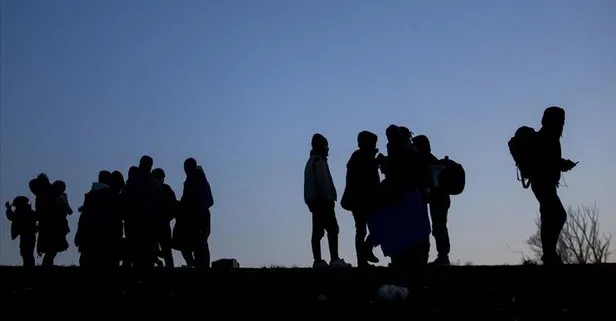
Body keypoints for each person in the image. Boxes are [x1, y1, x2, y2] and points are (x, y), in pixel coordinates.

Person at [529, 106, 577, 265]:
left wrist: (561, 164)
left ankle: (549, 254)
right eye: (560, 121)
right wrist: (563, 164)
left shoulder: (548, 136)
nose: (562, 125)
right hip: (542, 182)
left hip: (544, 183)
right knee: (556, 214)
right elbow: (547, 161)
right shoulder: (548, 137)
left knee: (550, 215)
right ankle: (549, 254)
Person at [304, 133, 351, 268]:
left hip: (315, 201)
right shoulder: (318, 161)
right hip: (323, 201)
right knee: (332, 229)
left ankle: (318, 260)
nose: (328, 148)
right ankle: (334, 259)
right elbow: (323, 183)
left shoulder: (311, 161)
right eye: (326, 145)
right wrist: (329, 197)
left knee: (318, 231)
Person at [341, 131, 381, 267]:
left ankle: (363, 256)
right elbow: (368, 180)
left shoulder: (360, 157)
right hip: (363, 201)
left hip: (362, 201)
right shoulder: (362, 158)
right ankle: (363, 256)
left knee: (366, 230)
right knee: (368, 229)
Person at [413, 134, 452, 265]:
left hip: (438, 199)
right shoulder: (430, 159)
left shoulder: (426, 161)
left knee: (438, 227)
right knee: (439, 227)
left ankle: (443, 256)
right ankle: (442, 256)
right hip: (439, 199)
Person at [174, 157, 214, 268]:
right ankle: (199, 267)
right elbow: (210, 201)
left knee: (186, 245)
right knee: (200, 245)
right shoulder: (202, 180)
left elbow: (188, 201)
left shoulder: (192, 181)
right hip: (203, 218)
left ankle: (195, 266)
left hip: (195, 219)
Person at [152, 168, 177, 268]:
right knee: (166, 252)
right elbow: (174, 208)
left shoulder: (151, 189)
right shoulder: (166, 189)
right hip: (161, 225)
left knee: (161, 251)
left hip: (156, 225)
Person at [5, 196, 38, 267]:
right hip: (29, 235)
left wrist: (8, 208)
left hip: (26, 235)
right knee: (27, 253)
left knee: (26, 253)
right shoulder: (30, 212)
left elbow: (11, 217)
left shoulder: (20, 212)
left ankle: (28, 267)